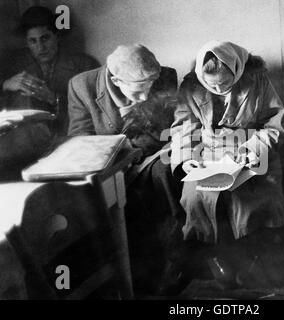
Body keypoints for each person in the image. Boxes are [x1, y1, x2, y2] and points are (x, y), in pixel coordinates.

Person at [169, 40, 284, 288]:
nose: (219, 89)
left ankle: (247, 258)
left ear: (236, 69)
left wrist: (252, 150)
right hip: (207, 153)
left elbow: (275, 126)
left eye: (225, 83)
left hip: (252, 151)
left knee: (245, 198)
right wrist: (188, 158)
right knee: (194, 197)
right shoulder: (190, 85)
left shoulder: (258, 80)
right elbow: (183, 128)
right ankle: (211, 257)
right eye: (211, 85)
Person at [67, 44, 184, 295]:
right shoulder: (81, 86)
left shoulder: (164, 77)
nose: (145, 97)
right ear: (116, 80)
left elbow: (164, 131)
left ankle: (170, 260)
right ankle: (138, 277)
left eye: (149, 89)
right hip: (107, 166)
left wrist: (133, 147)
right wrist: (115, 152)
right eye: (138, 91)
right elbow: (80, 139)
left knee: (164, 175)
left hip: (150, 155)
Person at [0, 6, 99, 136]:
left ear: (57, 37)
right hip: (26, 143)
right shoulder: (13, 65)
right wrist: (5, 85)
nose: (41, 47)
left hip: (68, 138)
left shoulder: (84, 65)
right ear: (26, 43)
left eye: (45, 38)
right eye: (33, 41)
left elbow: (96, 115)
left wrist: (54, 99)